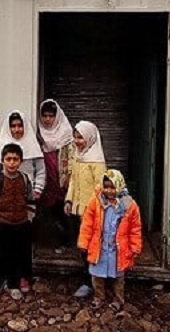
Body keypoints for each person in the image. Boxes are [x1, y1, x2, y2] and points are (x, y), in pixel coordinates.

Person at [0, 110, 45, 293]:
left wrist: (35, 194)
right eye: (13, 126)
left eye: (20, 125)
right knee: (0, 252)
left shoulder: (32, 145)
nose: (17, 129)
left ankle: (20, 280)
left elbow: (41, 171)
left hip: (25, 204)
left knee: (22, 250)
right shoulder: (3, 146)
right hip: (5, 211)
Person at [78, 169, 143, 311]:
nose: (109, 191)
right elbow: (87, 224)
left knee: (118, 277)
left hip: (118, 249)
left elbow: (135, 229)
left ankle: (118, 300)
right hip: (99, 248)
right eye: (106, 187)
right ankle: (98, 297)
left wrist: (135, 247)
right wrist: (84, 242)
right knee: (96, 276)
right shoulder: (96, 202)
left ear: (119, 186)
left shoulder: (129, 206)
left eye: (112, 187)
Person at [0, 143, 36, 304]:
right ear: (2, 161)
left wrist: (29, 218)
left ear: (20, 161)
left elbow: (31, 201)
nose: (12, 162)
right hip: (3, 226)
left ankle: (13, 285)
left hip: (21, 225)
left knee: (18, 256)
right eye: (8, 159)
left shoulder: (25, 180)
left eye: (15, 159)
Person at [62, 120, 107, 297]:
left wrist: (91, 211)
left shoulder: (97, 162)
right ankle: (88, 279)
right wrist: (69, 201)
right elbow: (73, 182)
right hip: (78, 211)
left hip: (91, 213)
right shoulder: (79, 157)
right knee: (82, 247)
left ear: (90, 137)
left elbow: (100, 188)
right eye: (75, 137)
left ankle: (91, 283)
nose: (77, 141)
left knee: (91, 247)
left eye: (80, 137)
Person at [36, 99, 73, 253]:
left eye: (51, 116)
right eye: (44, 116)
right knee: (48, 212)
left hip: (62, 181)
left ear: (57, 116)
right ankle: (51, 241)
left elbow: (72, 158)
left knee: (63, 213)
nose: (47, 119)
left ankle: (65, 242)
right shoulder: (38, 134)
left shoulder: (66, 133)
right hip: (46, 180)